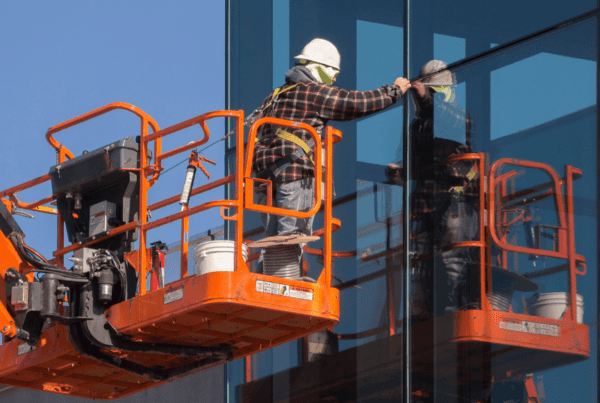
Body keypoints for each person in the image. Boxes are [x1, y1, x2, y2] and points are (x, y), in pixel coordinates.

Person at [249, 38, 411, 277]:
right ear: (320, 66)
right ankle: (283, 289)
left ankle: (266, 285)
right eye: (334, 72)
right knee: (290, 239)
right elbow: (353, 103)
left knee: (274, 241)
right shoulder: (312, 92)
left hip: (265, 182)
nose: (335, 78)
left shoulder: (275, 96)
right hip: (294, 178)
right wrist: (394, 92)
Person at [388, 60, 479, 316]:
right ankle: (433, 311)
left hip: (455, 198)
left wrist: (426, 96)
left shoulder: (457, 115)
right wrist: (401, 171)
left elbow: (447, 121)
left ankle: (456, 310)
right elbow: (420, 163)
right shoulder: (418, 127)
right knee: (425, 261)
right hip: (427, 201)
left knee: (454, 258)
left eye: (433, 92)